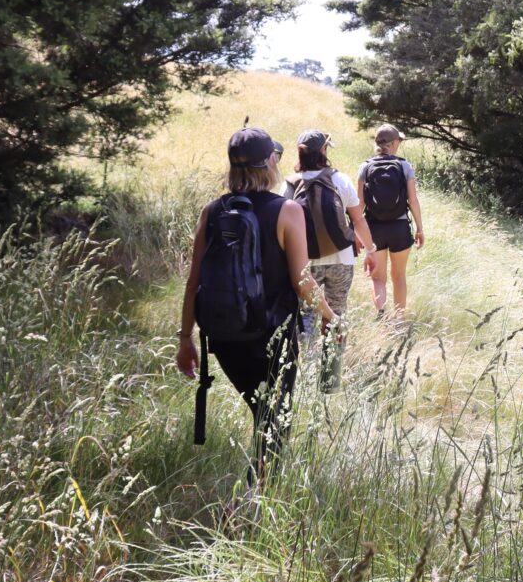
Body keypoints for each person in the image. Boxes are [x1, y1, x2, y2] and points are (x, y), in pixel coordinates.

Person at [176, 126, 336, 481]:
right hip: (272, 340)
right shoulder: (287, 211)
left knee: (263, 413)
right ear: (271, 163)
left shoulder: (212, 211)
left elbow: (193, 281)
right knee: (274, 422)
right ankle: (251, 500)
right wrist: (330, 316)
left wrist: (185, 339)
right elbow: (302, 282)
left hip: (225, 336)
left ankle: (256, 492)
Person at [283, 130, 377, 391]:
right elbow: (358, 220)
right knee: (336, 315)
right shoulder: (340, 180)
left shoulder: (290, 184)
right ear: (323, 151)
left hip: (305, 263)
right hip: (341, 260)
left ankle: (306, 379)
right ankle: (330, 382)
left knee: (306, 317)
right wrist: (370, 250)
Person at [357, 124, 425, 317]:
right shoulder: (404, 166)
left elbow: (359, 204)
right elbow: (413, 200)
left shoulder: (365, 167)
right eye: (399, 141)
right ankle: (399, 321)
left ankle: (382, 315)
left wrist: (357, 233)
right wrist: (419, 228)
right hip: (399, 227)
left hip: (374, 229)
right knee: (399, 276)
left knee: (378, 278)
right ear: (394, 143)